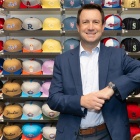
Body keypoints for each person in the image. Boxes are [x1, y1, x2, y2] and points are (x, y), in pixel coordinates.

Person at [47, 3, 140, 140]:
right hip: (73, 135)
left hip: (109, 134)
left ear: (103, 26)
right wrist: (81, 101)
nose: (91, 27)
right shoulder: (62, 60)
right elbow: (54, 99)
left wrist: (112, 88)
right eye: (85, 22)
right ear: (78, 27)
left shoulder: (117, 56)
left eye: (96, 22)